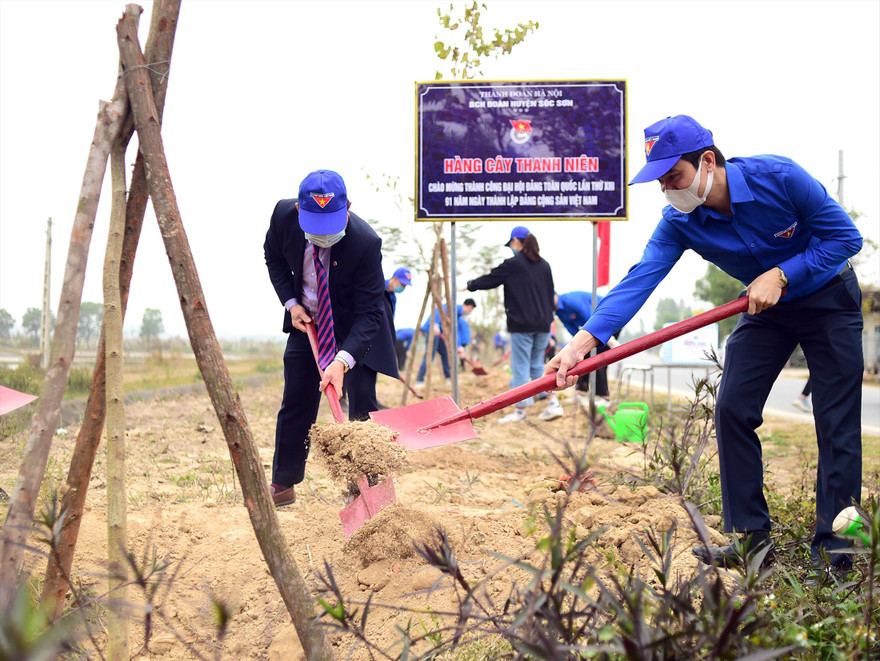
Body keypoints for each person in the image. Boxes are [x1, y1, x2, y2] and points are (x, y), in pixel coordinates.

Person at [545, 115, 863, 575]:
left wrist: (782, 273)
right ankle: (752, 543)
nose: (666, 189)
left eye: (673, 176)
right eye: (659, 181)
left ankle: (836, 554)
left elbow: (845, 238)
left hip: (829, 298)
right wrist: (580, 344)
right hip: (764, 311)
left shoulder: (781, 177)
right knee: (732, 408)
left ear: (708, 161)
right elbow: (639, 279)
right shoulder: (679, 221)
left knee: (835, 423)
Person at [264, 169, 399, 507]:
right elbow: (274, 258)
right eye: (316, 227)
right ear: (299, 210)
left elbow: (370, 312)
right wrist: (291, 303)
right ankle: (283, 482)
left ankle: (365, 488)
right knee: (296, 399)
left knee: (362, 405)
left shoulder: (366, 242)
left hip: (355, 327)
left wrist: (342, 360)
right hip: (308, 320)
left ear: (348, 208)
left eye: (331, 226)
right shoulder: (283, 216)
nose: (324, 235)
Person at [467, 226, 562, 422]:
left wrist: (470, 285)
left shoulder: (513, 264)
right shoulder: (545, 266)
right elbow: (550, 294)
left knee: (520, 367)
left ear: (516, 242)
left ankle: (520, 412)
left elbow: (491, 279)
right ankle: (553, 403)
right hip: (543, 325)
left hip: (522, 325)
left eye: (511, 244)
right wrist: (549, 320)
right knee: (538, 365)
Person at [554, 291, 619, 410]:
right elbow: (573, 331)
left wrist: (609, 340)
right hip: (593, 327)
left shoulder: (570, 300)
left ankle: (604, 396)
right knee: (582, 356)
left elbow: (590, 318)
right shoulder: (560, 313)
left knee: (599, 358)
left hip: (609, 319)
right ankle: (581, 392)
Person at [415, 299, 476, 385]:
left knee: (444, 353)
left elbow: (454, 330)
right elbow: (438, 310)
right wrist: (436, 324)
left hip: (438, 332)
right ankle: (419, 380)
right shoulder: (454, 308)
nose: (470, 312)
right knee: (430, 355)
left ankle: (449, 378)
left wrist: (459, 346)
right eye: (471, 310)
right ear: (469, 307)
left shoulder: (458, 314)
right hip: (432, 330)